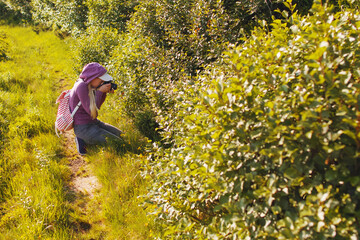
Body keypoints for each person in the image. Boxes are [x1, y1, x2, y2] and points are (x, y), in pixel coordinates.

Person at [69, 62, 122, 155]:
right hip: (83, 128)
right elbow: (92, 112)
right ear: (93, 77)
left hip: (93, 122)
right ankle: (82, 139)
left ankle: (83, 140)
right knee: (117, 143)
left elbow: (97, 106)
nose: (103, 82)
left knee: (122, 136)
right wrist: (100, 92)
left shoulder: (89, 85)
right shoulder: (81, 86)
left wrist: (104, 92)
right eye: (101, 80)